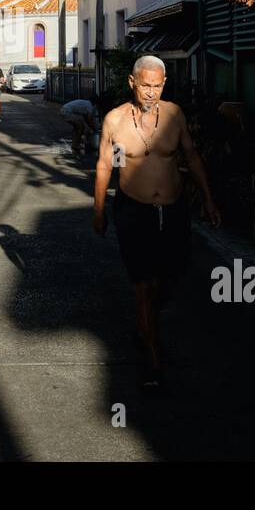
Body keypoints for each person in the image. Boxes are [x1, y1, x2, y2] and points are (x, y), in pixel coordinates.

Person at [93, 55, 221, 393]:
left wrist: (207, 199)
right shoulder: (115, 120)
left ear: (163, 84)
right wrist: (99, 209)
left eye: (157, 85)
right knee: (144, 288)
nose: (151, 92)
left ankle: (146, 325)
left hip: (174, 211)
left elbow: (191, 156)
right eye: (145, 85)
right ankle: (153, 360)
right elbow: (106, 165)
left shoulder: (175, 115)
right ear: (132, 83)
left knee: (172, 276)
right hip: (134, 212)